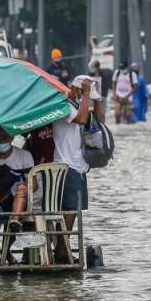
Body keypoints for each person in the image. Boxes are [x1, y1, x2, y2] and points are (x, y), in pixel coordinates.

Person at [53, 77, 94, 263]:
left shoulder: (73, 105)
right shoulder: (62, 106)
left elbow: (92, 118)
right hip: (66, 165)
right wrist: (86, 94)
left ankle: (62, 248)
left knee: (72, 210)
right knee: (69, 210)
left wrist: (94, 97)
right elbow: (82, 118)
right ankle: (61, 250)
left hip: (77, 165)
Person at [0, 127, 34, 265]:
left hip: (19, 201)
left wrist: (17, 186)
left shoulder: (24, 155)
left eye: (4, 138)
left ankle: (14, 222)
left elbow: (34, 186)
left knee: (21, 187)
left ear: (11, 138)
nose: (0, 141)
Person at [112, 60, 138, 124]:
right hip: (118, 97)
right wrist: (114, 94)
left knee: (128, 115)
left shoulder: (132, 74)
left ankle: (128, 129)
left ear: (127, 67)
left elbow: (135, 87)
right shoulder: (117, 73)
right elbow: (113, 83)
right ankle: (117, 128)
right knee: (117, 115)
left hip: (128, 98)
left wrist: (127, 96)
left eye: (123, 68)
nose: (122, 69)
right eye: (121, 68)